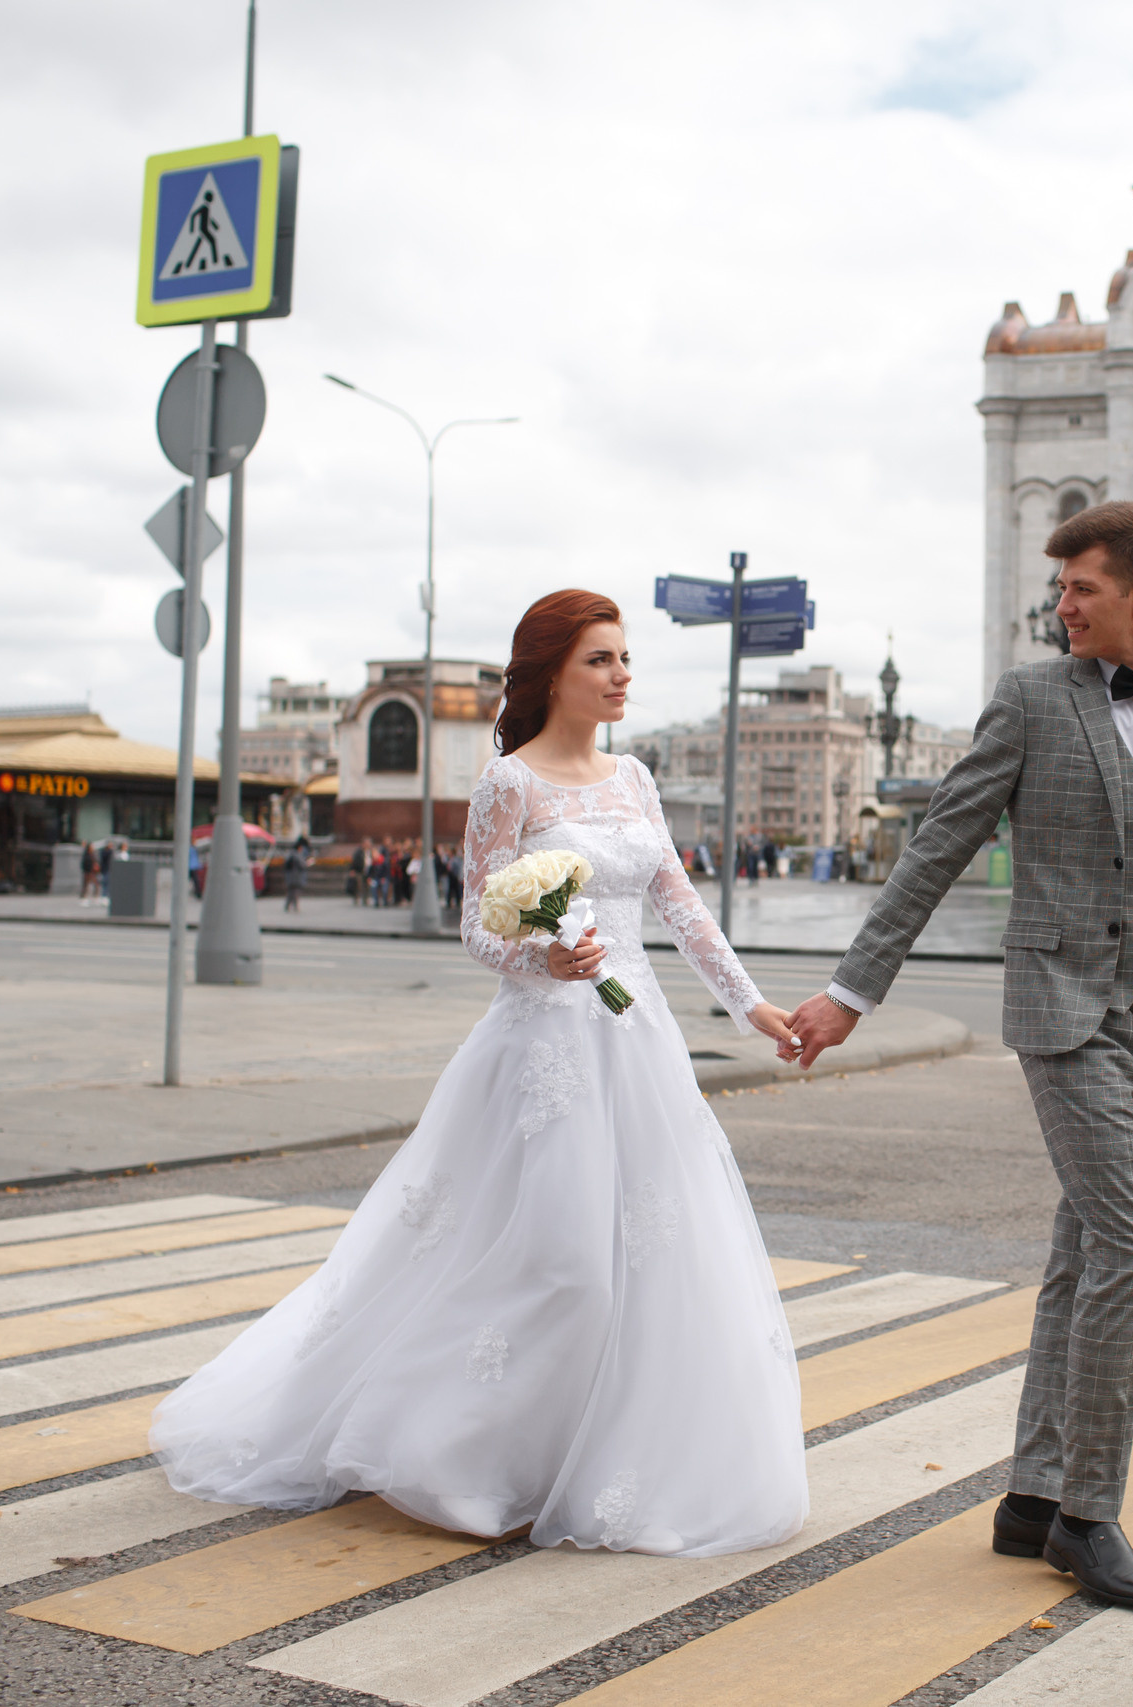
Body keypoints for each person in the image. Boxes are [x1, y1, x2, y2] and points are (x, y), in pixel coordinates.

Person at [154, 589, 807, 1557]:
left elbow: (680, 904)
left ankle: (584, 1463)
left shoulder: (634, 778)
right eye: (601, 659)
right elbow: (475, 924)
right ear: (552, 672)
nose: (622, 674)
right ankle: (463, 1455)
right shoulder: (510, 784)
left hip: (636, 1042)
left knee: (654, 1266)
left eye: (625, 658)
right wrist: (540, 958)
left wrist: (751, 1005)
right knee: (560, 1264)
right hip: (544, 1049)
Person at [785, 500, 1133, 1611]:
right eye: (1057, 588)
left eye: (1080, 589)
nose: (1059, 605)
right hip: (1063, 1007)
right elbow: (940, 842)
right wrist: (850, 993)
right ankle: (1087, 1512)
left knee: (1083, 1249)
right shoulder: (1028, 699)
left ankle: (1028, 1496)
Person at [282, 836, 309, 914]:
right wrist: (307, 863)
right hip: (296, 876)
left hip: (289, 876)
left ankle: (288, 906)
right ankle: (295, 906)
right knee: (295, 891)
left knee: (291, 892)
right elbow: (302, 864)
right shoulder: (297, 855)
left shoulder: (290, 854)